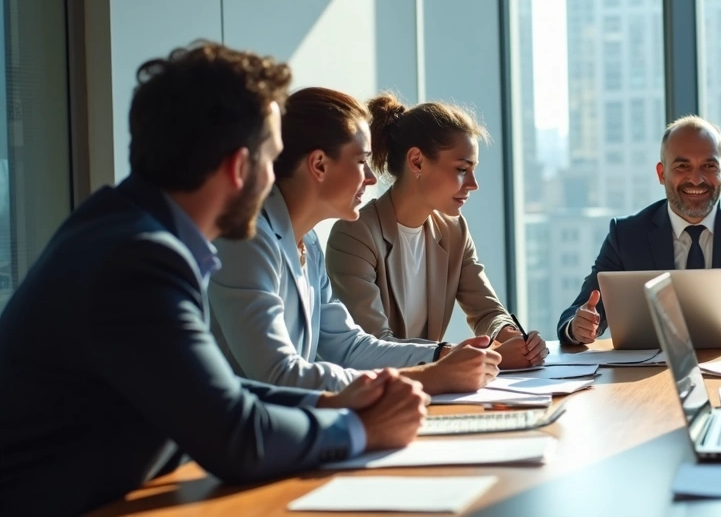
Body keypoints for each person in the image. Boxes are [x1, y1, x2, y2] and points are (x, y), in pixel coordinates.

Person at [0, 44, 428, 516]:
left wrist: (330, 402)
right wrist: (361, 430)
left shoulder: (122, 229)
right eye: (271, 158)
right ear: (238, 168)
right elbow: (235, 437)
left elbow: (215, 391)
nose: (275, 178)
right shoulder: (138, 260)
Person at [209, 87, 501, 394]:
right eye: (362, 161)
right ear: (319, 164)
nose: (372, 178)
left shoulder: (307, 242)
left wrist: (442, 356)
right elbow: (280, 374)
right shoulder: (247, 240)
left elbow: (348, 346)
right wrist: (430, 377)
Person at [327, 94, 546, 369]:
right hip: (372, 396)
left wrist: (514, 339)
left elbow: (488, 311)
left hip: (431, 390)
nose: (474, 184)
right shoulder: (355, 235)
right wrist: (483, 358)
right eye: (462, 169)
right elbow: (374, 346)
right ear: (417, 161)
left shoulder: (453, 230)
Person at [557, 116, 721, 346]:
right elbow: (577, 313)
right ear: (661, 173)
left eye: (709, 166)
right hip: (647, 377)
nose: (696, 179)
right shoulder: (626, 234)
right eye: (682, 167)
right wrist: (579, 326)